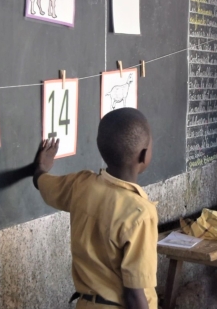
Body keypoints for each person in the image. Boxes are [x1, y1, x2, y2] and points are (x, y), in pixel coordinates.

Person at [32, 108, 158, 309]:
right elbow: (135, 295)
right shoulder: (140, 213)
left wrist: (40, 169)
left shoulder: (81, 185)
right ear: (143, 155)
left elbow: (42, 183)